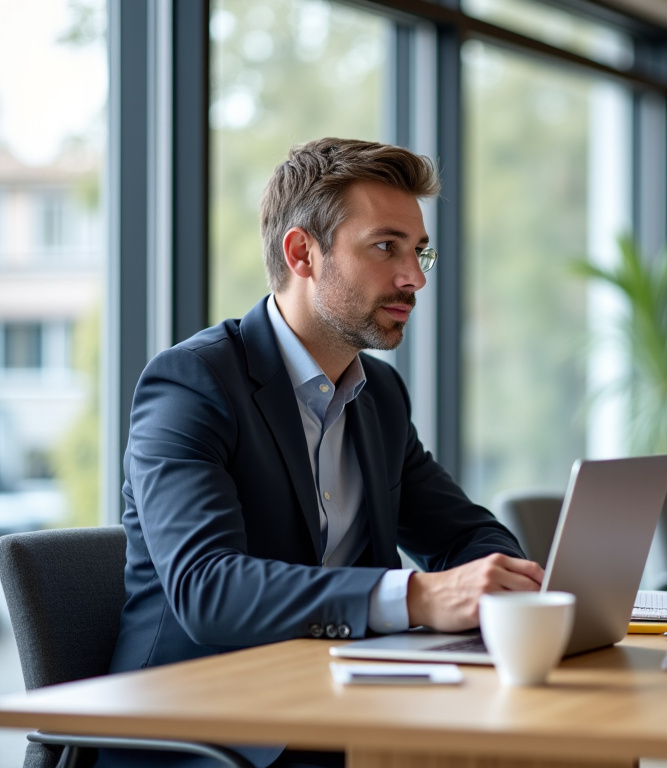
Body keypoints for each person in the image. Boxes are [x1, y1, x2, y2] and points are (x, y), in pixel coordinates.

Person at [100, 138, 543, 768]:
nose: (414, 277)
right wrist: (418, 598)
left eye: (420, 252)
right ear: (302, 252)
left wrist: (504, 582)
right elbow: (207, 589)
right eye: (386, 246)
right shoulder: (192, 384)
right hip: (205, 736)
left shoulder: (378, 394)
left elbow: (464, 533)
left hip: (340, 710)